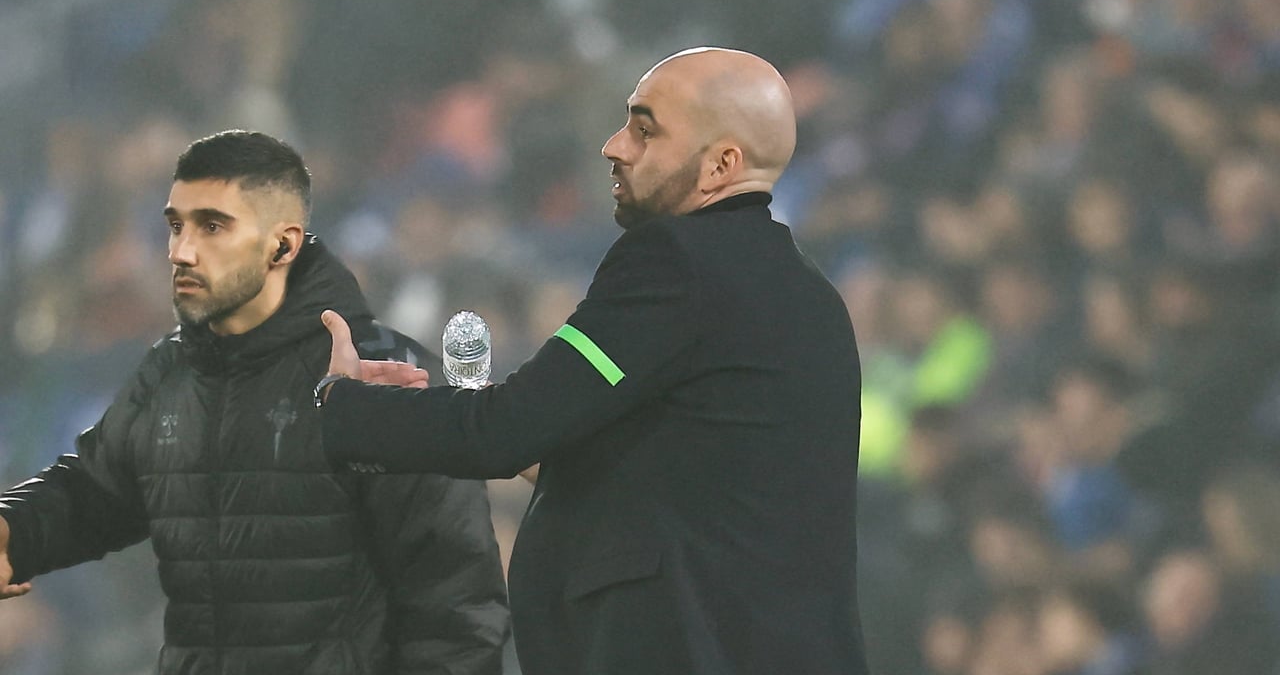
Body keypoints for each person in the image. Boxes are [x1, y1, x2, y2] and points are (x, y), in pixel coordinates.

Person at [318, 48, 869, 675]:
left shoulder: (676, 263)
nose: (613, 145)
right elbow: (670, 483)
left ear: (722, 164)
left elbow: (503, 431)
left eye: (644, 129)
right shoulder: (812, 298)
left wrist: (346, 406)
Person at [0, 130, 509, 674]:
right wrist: (14, 530)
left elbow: (455, 607)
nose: (181, 251)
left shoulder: (383, 373)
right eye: (176, 226)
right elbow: (94, 491)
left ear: (282, 244)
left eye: (212, 226)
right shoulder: (170, 372)